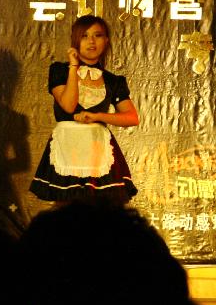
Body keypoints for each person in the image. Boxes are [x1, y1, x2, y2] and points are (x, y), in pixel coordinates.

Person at [29, 14, 139, 203]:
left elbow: (131, 118)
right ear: (75, 40)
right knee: (66, 206)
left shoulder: (113, 80)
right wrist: (73, 66)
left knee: (100, 206)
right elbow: (68, 105)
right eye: (84, 36)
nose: (91, 41)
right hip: (67, 145)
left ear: (106, 41)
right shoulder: (60, 70)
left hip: (97, 147)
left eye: (98, 35)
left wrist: (98, 116)